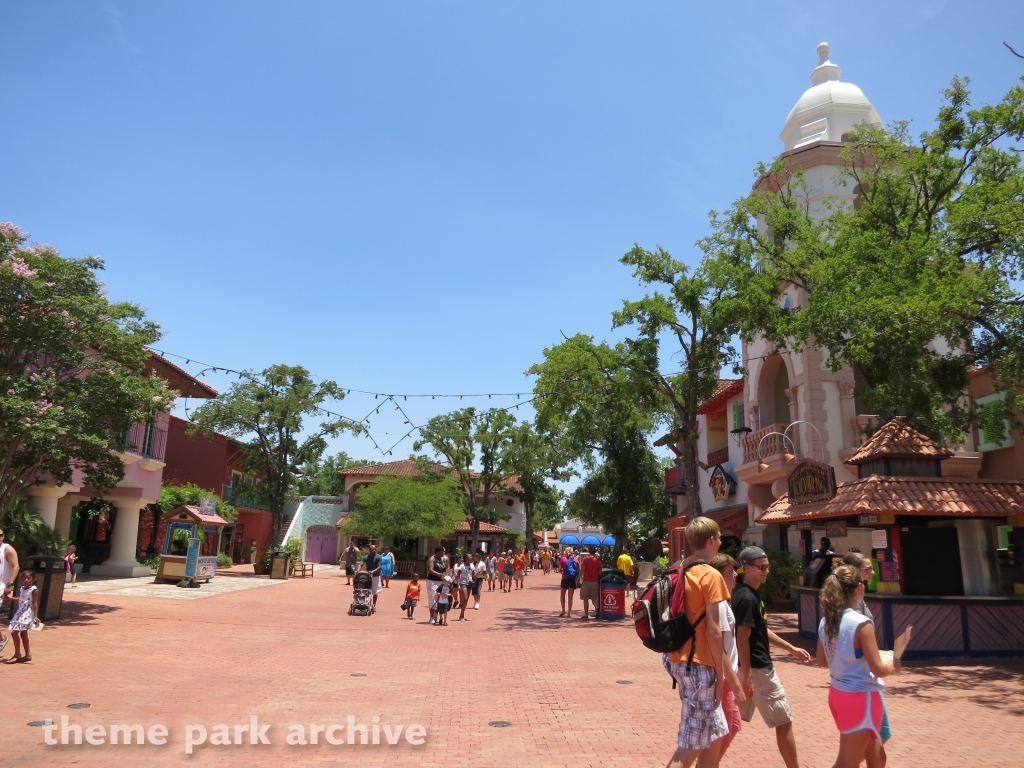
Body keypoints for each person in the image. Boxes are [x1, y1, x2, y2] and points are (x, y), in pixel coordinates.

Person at [816, 565, 901, 768]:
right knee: (846, 763)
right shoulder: (861, 623)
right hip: (860, 696)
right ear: (859, 588)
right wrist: (894, 665)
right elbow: (879, 669)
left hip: (838, 693)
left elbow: (821, 660)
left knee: (877, 757)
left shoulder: (827, 621)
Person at [733, 546, 811, 768]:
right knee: (784, 721)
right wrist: (747, 675)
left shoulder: (751, 594)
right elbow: (742, 637)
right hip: (757, 669)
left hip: (751, 669)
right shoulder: (746, 598)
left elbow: (761, 629)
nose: (766, 571)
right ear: (747, 568)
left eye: (768, 567)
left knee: (731, 722)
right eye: (761, 567)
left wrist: (791, 648)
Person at [664, 517, 730, 768]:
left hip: (680, 659)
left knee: (715, 733)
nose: (721, 542)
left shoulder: (679, 569)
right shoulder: (710, 575)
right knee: (691, 743)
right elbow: (714, 630)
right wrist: (720, 676)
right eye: (720, 538)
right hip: (701, 665)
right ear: (711, 540)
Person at [841, 551, 892, 748]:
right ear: (854, 572)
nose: (872, 572)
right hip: (861, 681)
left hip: (858, 679)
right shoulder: (850, 608)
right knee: (877, 735)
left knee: (876, 738)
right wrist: (891, 664)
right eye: (868, 569)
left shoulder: (856, 601)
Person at [708, 553, 748, 760]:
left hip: (726, 677)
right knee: (721, 734)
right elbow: (720, 648)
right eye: (730, 572)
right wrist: (736, 684)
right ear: (719, 576)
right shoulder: (720, 604)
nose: (735, 575)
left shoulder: (724, 601)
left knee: (732, 727)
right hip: (723, 679)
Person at [6, 570, 38, 663]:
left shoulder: (34, 589)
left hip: (27, 613)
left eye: (29, 578)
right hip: (20, 612)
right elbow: (21, 599)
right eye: (24, 578)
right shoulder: (22, 589)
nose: (26, 580)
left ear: (33, 579)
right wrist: (10, 598)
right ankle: (28, 655)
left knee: (14, 632)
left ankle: (17, 654)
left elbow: (35, 603)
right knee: (23, 633)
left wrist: (35, 616)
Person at [0, 528, 20, 654]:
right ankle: (1, 639)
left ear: (3, 536)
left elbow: (16, 567)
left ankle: (2, 639)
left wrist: (10, 584)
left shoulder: (7, 549)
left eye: (0, 535)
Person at [426, 546, 448, 625]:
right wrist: (439, 575)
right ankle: (431, 617)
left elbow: (447, 568)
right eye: (442, 551)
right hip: (432, 581)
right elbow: (430, 570)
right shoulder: (432, 559)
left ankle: (436, 613)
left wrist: (447, 576)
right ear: (438, 552)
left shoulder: (445, 559)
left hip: (442, 581)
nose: (444, 553)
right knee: (432, 598)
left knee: (441, 599)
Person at [579, 546, 603, 620]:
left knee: (585, 598)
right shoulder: (598, 561)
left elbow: (582, 570)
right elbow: (600, 572)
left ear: (589, 551)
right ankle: (597, 608)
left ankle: (586, 615)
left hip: (586, 581)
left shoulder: (586, 559)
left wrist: (578, 578)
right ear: (595, 552)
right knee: (594, 598)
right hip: (595, 582)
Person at [361, 544, 383, 612]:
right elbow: (361, 564)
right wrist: (358, 571)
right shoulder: (366, 557)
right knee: (365, 590)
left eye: (375, 549)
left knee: (375, 592)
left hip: (375, 576)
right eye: (373, 549)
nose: (374, 550)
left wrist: (373, 571)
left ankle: (374, 605)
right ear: (369, 550)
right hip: (368, 576)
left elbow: (379, 566)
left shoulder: (378, 557)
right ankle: (364, 603)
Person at [559, 548, 579, 618]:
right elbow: (578, 570)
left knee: (562, 595)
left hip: (565, 579)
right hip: (572, 579)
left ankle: (563, 610)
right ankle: (569, 613)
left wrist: (562, 571)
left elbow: (559, 569)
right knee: (570, 597)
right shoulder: (576, 559)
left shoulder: (563, 559)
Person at [454, 554, 473, 621]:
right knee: (465, 598)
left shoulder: (472, 565)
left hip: (469, 583)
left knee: (466, 600)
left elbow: (473, 574)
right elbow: (458, 575)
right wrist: (458, 584)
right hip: (463, 583)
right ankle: (461, 615)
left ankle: (462, 615)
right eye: (470, 557)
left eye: (471, 557)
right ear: (466, 558)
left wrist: (477, 574)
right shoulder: (462, 566)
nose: (471, 558)